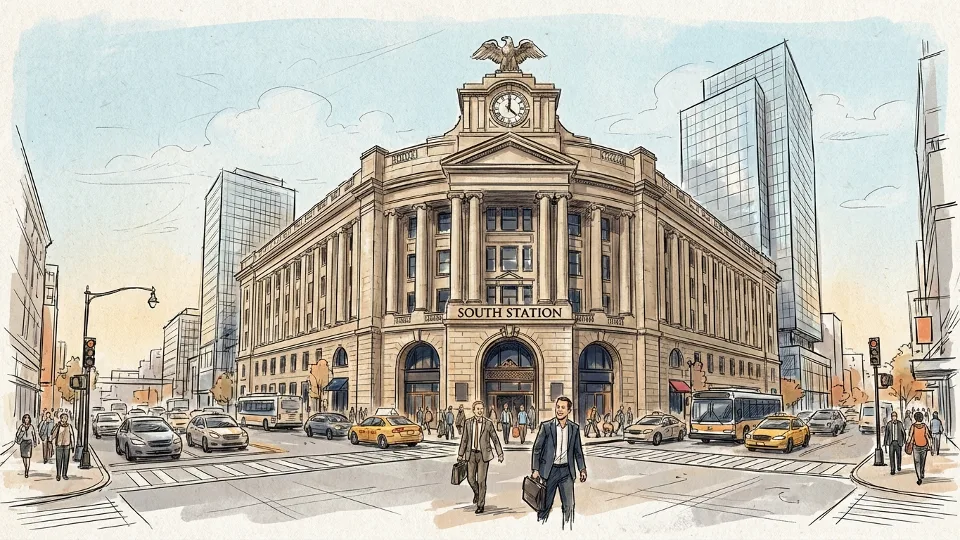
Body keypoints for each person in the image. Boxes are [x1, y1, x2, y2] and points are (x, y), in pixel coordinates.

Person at [531, 397, 586, 527]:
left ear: (569, 410)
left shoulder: (574, 428)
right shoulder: (546, 427)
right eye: (558, 407)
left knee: (569, 506)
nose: (559, 410)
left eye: (563, 407)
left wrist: (582, 469)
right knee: (545, 505)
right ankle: (540, 526)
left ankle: (568, 529)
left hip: (567, 471)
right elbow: (537, 449)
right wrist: (535, 469)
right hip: (549, 471)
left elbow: (578, 451)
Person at [456, 401, 504, 514]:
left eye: (482, 409)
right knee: (471, 479)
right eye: (478, 409)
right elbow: (464, 440)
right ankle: (477, 493)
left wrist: (500, 453)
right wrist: (460, 454)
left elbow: (495, 439)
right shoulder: (468, 423)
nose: (480, 411)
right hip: (471, 454)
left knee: (481, 481)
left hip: (484, 456)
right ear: (473, 410)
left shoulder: (488, 423)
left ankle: (480, 505)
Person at [908, 411, 933, 485]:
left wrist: (907, 443)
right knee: (922, 461)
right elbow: (928, 437)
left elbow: (910, 436)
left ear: (915, 418)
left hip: (916, 446)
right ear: (921, 418)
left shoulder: (913, 426)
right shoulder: (925, 426)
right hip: (924, 446)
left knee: (917, 462)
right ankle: (921, 473)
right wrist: (930, 446)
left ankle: (919, 477)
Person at [51, 413, 76, 481]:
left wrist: (73, 445)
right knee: (58, 461)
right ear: (61, 418)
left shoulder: (69, 426)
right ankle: (58, 475)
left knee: (66, 461)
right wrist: (50, 440)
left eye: (66, 417)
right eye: (64, 417)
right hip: (59, 445)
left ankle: (64, 474)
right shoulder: (58, 426)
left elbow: (72, 435)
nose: (65, 419)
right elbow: (53, 434)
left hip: (67, 445)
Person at [15, 414, 39, 478]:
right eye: (25, 418)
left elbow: (34, 435)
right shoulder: (21, 426)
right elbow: (17, 434)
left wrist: (35, 442)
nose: (27, 419)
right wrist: (21, 433)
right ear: (24, 419)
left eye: (28, 418)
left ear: (29, 419)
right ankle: (25, 467)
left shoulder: (31, 427)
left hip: (29, 443)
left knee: (28, 458)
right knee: (23, 458)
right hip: (23, 443)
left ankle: (26, 471)